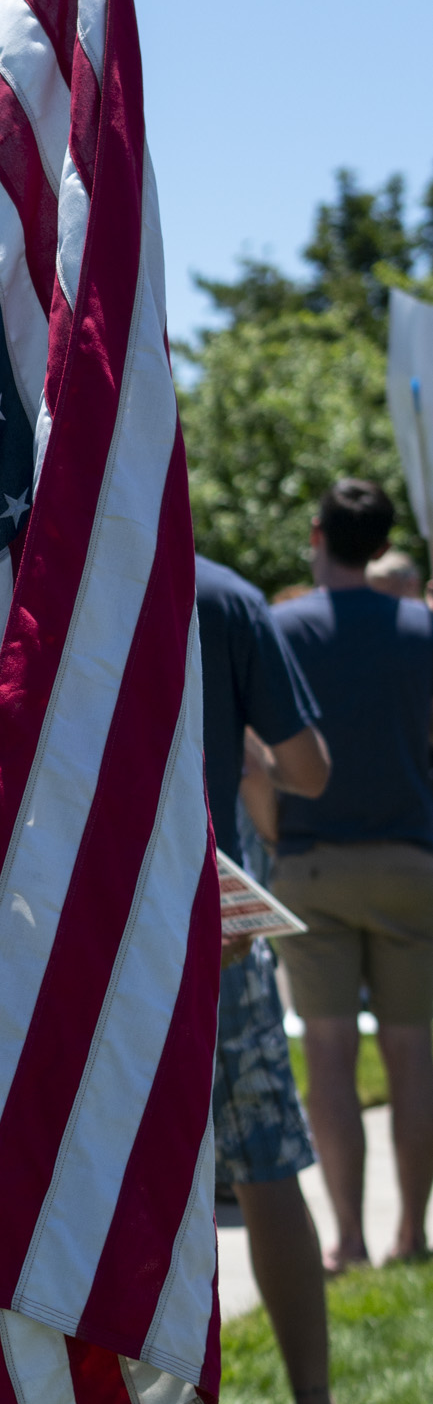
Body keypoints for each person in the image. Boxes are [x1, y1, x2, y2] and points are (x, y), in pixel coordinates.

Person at [118, 553, 348, 1404]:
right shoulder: (225, 596)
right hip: (216, 908)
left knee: (129, 1191)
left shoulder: (47, 572)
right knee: (265, 1162)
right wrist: (248, 750)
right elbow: (309, 770)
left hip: (93, 911)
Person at [271, 479, 433, 1268]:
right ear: (380, 545)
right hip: (410, 860)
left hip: (310, 861)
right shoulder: (419, 628)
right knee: (414, 1053)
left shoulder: (283, 628)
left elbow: (257, 751)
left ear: (315, 533)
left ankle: (347, 1238)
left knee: (327, 1055)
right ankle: (413, 1234)